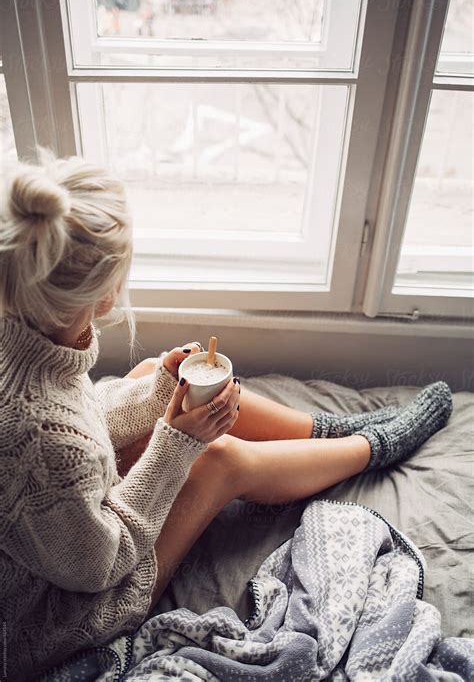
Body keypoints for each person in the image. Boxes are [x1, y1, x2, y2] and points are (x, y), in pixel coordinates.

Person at [0, 148, 453, 681]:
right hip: (66, 612)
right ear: (97, 293)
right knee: (219, 459)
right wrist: (175, 443)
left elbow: (80, 416)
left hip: (57, 534)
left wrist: (156, 397)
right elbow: (103, 563)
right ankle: (374, 448)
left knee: (153, 372)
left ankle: (334, 431)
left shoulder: (25, 329)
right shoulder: (41, 438)